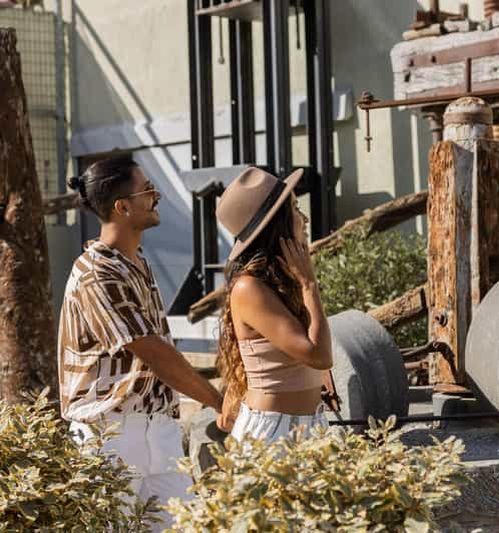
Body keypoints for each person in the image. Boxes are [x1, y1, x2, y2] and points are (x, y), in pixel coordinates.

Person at [58, 157, 223, 531]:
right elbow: (153, 351)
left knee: (188, 525)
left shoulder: (136, 263)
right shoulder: (96, 273)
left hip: (157, 429)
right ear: (122, 207)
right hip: (108, 436)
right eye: (148, 189)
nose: (157, 196)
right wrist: (216, 399)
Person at [214, 167, 333, 443]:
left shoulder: (283, 280)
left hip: (311, 425)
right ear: (276, 224)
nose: (303, 218)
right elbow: (320, 355)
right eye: (294, 208)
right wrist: (309, 285)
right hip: (271, 432)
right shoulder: (249, 288)